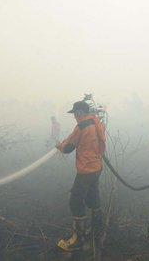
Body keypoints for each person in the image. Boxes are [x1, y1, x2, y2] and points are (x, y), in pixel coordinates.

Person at [55, 101, 106, 251]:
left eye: (76, 113)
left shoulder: (82, 126)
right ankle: (98, 232)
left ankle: (78, 239)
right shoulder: (96, 123)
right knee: (93, 199)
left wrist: (59, 145)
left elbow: (68, 148)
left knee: (75, 200)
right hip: (97, 167)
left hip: (86, 170)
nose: (75, 116)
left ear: (81, 112)